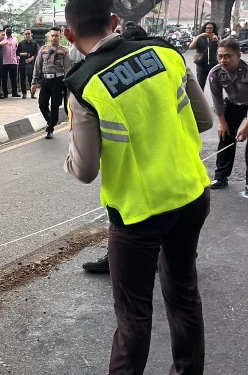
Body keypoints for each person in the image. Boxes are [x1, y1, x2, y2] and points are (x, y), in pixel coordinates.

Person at [62, 0, 213, 372]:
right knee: (184, 295)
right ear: (115, 21)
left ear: (69, 34)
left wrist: (68, 155)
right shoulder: (165, 53)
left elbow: (84, 171)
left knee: (133, 318)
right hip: (192, 194)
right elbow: (205, 120)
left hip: (138, 214)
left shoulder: (85, 84)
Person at [81, 21, 148, 274]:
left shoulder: (100, 78)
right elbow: (202, 120)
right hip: (183, 182)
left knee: (132, 302)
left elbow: (84, 171)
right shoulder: (166, 63)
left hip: (133, 175)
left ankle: (119, 259)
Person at [207, 39, 248, 194]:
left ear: (238, 55)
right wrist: (222, 123)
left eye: (227, 56)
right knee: (225, 136)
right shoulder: (215, 73)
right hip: (233, 104)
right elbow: (217, 99)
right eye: (220, 56)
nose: (223, 60)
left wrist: (245, 128)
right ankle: (221, 176)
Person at [31, 27, 71, 139]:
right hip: (45, 80)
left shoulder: (64, 50)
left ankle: (50, 128)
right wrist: (33, 82)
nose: (54, 37)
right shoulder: (43, 49)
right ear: (49, 37)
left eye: (56, 35)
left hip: (58, 81)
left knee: (55, 106)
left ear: (60, 37)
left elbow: (67, 68)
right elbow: (37, 66)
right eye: (52, 35)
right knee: (42, 104)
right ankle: (51, 121)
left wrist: (68, 85)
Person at [190, 22, 220, 90]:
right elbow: (191, 46)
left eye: (210, 28)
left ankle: (217, 99)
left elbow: (222, 47)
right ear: (204, 29)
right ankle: (200, 100)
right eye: (207, 28)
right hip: (201, 65)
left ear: (213, 29)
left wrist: (217, 40)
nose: (208, 30)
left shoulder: (216, 37)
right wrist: (200, 36)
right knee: (200, 85)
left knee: (216, 85)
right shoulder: (200, 38)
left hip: (213, 64)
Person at [16, 29, 39, 99]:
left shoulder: (34, 43)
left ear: (31, 34)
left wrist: (31, 58)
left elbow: (36, 53)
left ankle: (32, 93)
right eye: (26, 34)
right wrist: (24, 54)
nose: (27, 35)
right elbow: (17, 53)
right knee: (22, 79)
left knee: (31, 79)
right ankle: (24, 93)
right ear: (24, 34)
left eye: (28, 34)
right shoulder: (21, 43)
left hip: (31, 63)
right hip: (22, 63)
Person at [1, 25, 20, 98]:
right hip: (4, 62)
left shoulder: (15, 39)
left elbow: (17, 49)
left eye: (10, 29)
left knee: (14, 78)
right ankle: (5, 93)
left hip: (13, 61)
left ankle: (14, 92)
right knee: (4, 78)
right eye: (7, 29)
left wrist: (18, 59)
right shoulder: (2, 39)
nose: (9, 30)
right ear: (4, 31)